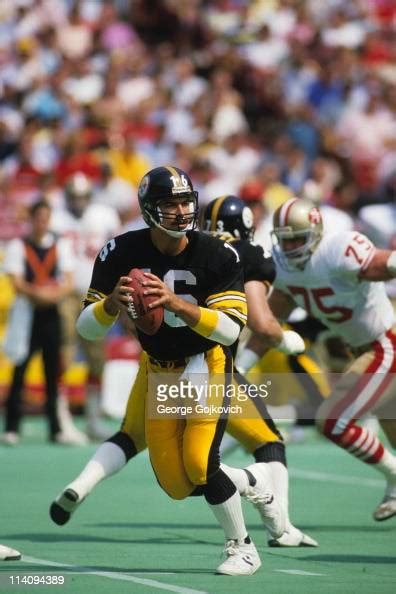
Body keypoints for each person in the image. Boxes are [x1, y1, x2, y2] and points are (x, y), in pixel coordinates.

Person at [50, 166, 276, 576]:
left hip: (205, 362)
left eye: (185, 201)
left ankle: (242, 547)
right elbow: (87, 328)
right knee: (175, 484)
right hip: (159, 369)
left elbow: (228, 331)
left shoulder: (217, 254)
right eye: (169, 204)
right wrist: (110, 306)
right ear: (148, 209)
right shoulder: (120, 252)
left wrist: (177, 305)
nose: (180, 211)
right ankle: (252, 482)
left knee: (199, 462)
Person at [246, 196, 396, 521]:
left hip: (385, 344)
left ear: (315, 232)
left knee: (332, 419)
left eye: (297, 238)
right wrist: (241, 367)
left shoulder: (338, 249)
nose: (290, 247)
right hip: (363, 348)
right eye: (284, 240)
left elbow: (382, 264)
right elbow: (269, 327)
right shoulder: (283, 268)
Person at [202, 195, 317, 546]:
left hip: (166, 367)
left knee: (185, 470)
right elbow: (263, 325)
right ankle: (260, 494)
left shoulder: (190, 249)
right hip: (214, 370)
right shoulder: (249, 255)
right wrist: (288, 341)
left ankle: (275, 528)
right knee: (256, 448)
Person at [50, 173, 121, 440]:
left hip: (96, 294)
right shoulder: (57, 217)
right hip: (66, 293)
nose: (78, 202)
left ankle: (92, 419)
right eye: (73, 196)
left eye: (82, 197)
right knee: (64, 355)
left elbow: (116, 251)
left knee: (97, 358)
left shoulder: (103, 215)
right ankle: (61, 421)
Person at [1, 200, 76, 445]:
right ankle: (12, 427)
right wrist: (40, 294)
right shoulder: (18, 246)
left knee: (52, 372)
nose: (42, 222)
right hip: (27, 315)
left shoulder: (60, 245)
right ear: (31, 219)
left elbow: (67, 280)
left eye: (46, 217)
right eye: (38, 217)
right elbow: (16, 281)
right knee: (19, 370)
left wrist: (50, 295)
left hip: (51, 315)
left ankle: (55, 429)